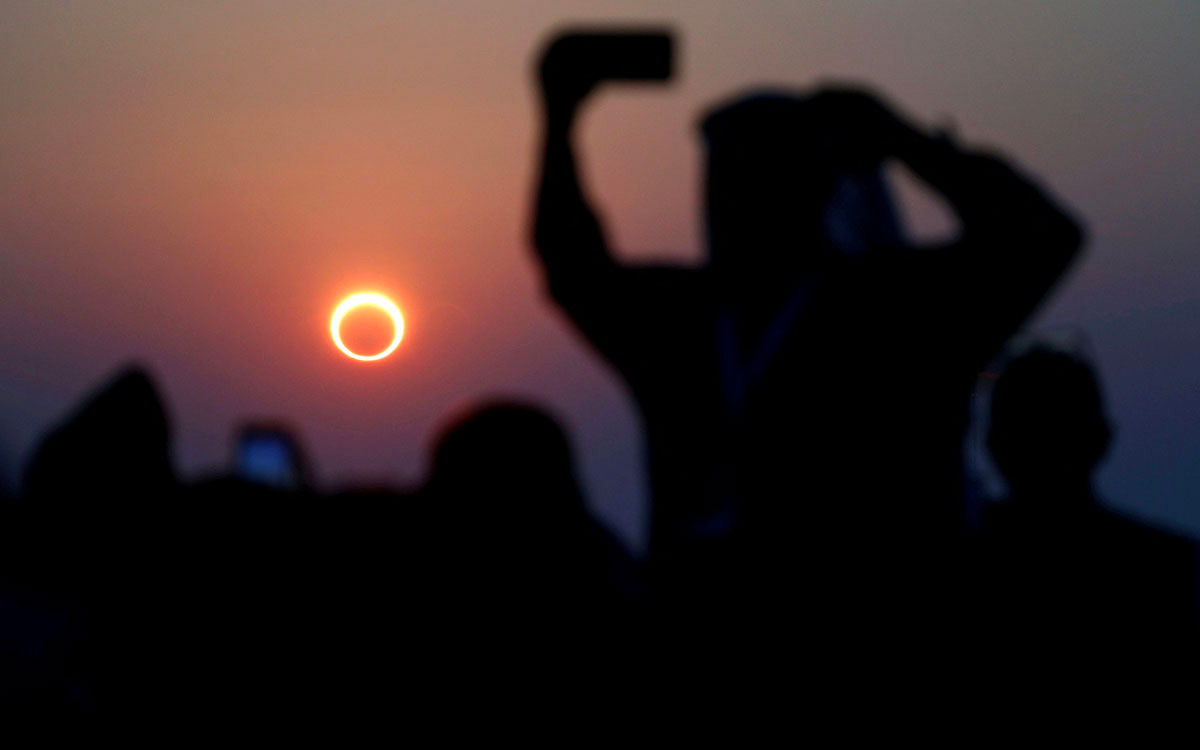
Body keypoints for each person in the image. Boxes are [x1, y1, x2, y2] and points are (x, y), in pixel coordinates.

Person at [533, 36, 1084, 629]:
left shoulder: (893, 312)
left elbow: (1044, 237)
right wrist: (560, 124)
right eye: (729, 171)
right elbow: (571, 262)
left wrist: (908, 141)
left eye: (761, 170)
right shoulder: (691, 317)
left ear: (817, 186)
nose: (738, 193)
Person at [979, 344, 1198, 634]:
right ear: (1101, 439)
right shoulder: (1171, 569)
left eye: (1055, 432)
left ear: (994, 445)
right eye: (1031, 433)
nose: (1045, 452)